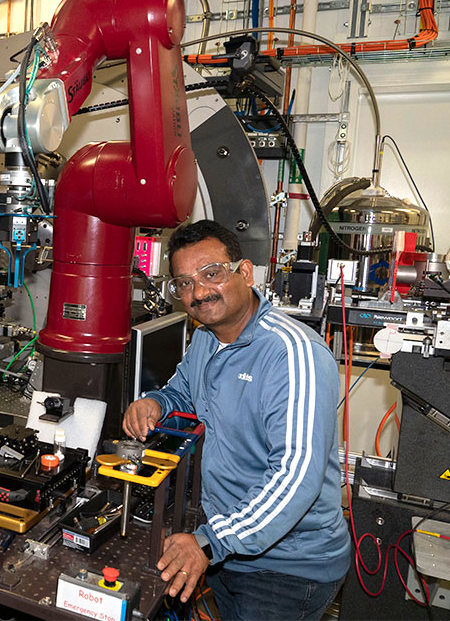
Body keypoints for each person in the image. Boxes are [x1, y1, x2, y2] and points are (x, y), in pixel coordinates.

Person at [122, 219, 350, 621]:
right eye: (184, 283)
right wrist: (155, 402)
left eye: (211, 274)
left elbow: (294, 477)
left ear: (244, 272)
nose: (198, 292)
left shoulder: (293, 355)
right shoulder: (207, 339)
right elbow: (183, 393)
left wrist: (208, 542)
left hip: (286, 569)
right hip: (230, 547)